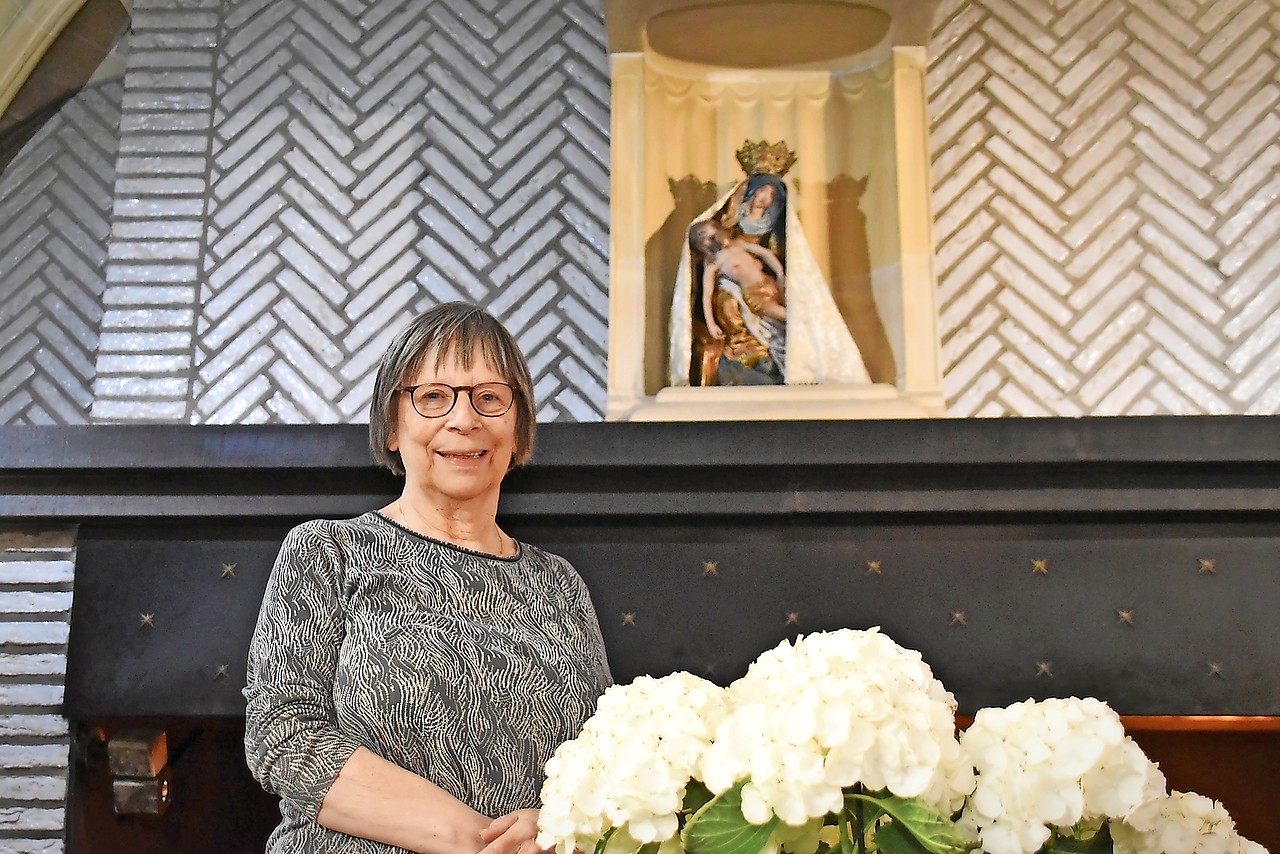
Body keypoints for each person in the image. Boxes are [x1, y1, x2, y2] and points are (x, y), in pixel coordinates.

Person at [243, 302, 613, 854]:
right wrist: (482, 845)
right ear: (393, 426)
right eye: (434, 397)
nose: (464, 420)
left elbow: (601, 757)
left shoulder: (561, 583)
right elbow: (283, 737)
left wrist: (560, 822)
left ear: (518, 429)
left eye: (490, 397)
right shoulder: (327, 552)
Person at [689, 219, 787, 385]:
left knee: (782, 324)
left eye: (709, 232)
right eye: (702, 238)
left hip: (770, 284)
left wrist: (779, 272)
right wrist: (712, 324)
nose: (709, 238)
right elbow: (707, 295)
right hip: (756, 296)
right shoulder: (714, 264)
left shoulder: (740, 244)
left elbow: (765, 253)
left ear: (719, 230)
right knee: (785, 316)